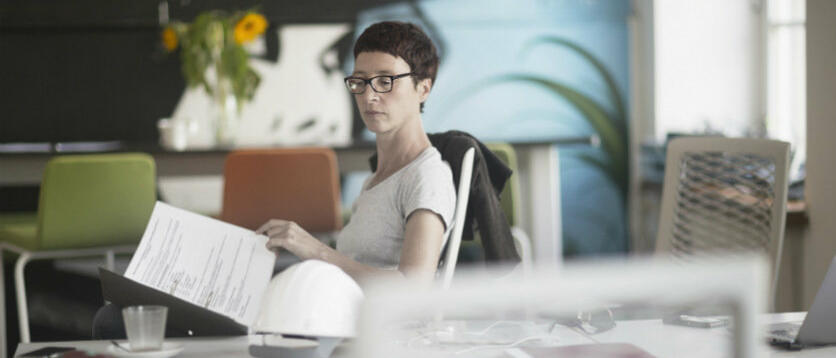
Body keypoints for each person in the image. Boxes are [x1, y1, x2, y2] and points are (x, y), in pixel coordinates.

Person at [256, 21, 456, 288]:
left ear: (423, 89)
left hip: (381, 328)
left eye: (385, 81)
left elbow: (414, 288)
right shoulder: (375, 180)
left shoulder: (427, 176)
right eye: (360, 81)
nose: (369, 96)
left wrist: (316, 251)